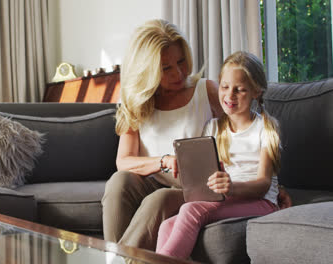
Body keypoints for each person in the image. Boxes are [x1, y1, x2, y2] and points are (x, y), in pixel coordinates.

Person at [101, 19, 292, 252]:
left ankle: (121, 260)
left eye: (181, 61)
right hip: (153, 180)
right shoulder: (136, 102)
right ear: (147, 69)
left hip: (193, 186)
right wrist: (163, 161)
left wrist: (272, 186)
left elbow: (244, 131)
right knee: (119, 182)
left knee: (159, 199)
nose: (179, 73)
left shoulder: (207, 91)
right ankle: (111, 255)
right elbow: (124, 162)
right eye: (166, 68)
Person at [155, 51, 281, 259]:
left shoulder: (265, 128)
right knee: (167, 225)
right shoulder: (212, 128)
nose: (229, 96)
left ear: (256, 91)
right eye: (224, 86)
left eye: (239, 90)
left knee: (190, 211)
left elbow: (263, 184)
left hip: (261, 202)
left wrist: (232, 187)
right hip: (224, 198)